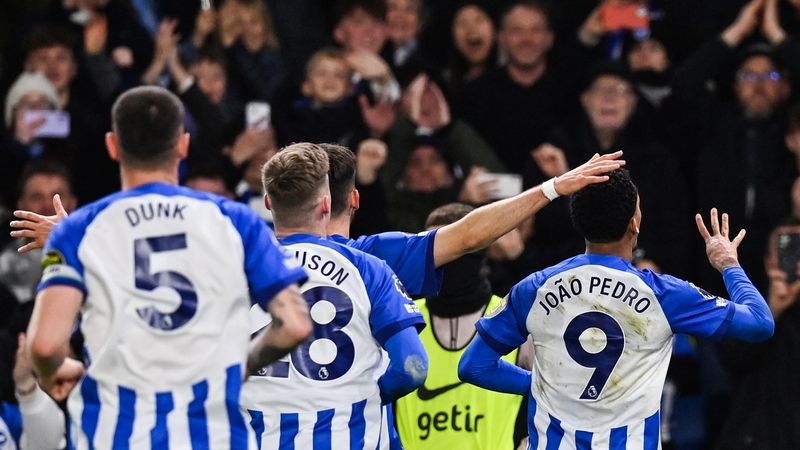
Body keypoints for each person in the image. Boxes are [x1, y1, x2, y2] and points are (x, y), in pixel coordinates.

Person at [24, 86, 312, 449]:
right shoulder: (236, 220)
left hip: (117, 435)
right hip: (216, 437)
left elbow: (47, 344)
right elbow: (295, 324)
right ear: (183, 145)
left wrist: (56, 372)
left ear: (113, 146)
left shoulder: (78, 230)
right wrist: (245, 365)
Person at [458, 168, 775, 447]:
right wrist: (728, 264)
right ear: (635, 224)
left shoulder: (534, 289)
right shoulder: (665, 295)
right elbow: (760, 323)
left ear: (578, 222)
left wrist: (547, 387)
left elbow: (473, 366)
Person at [244, 143, 428, 449]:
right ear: (326, 204)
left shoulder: (240, 271)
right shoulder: (367, 269)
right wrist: (363, 399)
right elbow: (413, 367)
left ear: (268, 202)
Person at [394, 203, 528, 450]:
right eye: (433, 250)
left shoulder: (513, 323)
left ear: (479, 250)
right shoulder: (403, 321)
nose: (443, 259)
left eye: (453, 248)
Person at [713, 176, 800, 450]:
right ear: (766, 261)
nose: (792, 261)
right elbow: (732, 360)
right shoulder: (749, 307)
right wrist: (770, 312)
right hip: (759, 432)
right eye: (784, 249)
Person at [0, 161, 77, 305]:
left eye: (57, 198)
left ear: (73, 203)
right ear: (21, 205)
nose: (48, 206)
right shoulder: (5, 261)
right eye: (37, 197)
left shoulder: (95, 254)